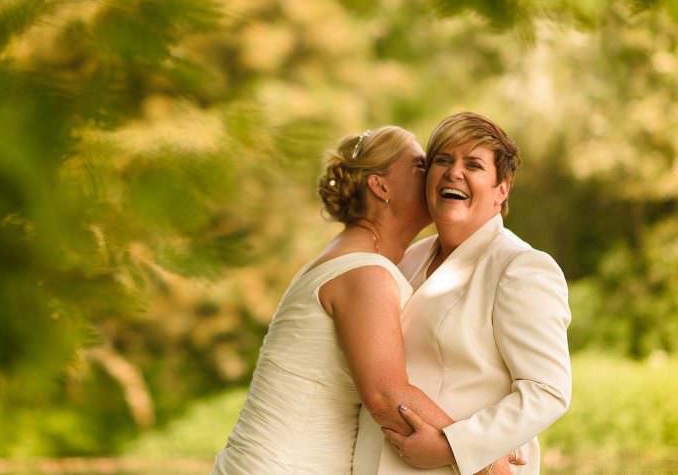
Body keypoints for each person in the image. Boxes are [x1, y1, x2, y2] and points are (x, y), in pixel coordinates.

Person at [211, 126, 519, 475]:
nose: (438, 173)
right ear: (380, 186)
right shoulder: (365, 273)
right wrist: (483, 457)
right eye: (421, 166)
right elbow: (387, 397)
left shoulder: (357, 258)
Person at [354, 112, 572, 475]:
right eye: (443, 160)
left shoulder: (520, 267)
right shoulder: (407, 259)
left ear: (502, 189)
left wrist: (453, 448)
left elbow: (547, 392)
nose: (454, 172)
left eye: (473, 164)